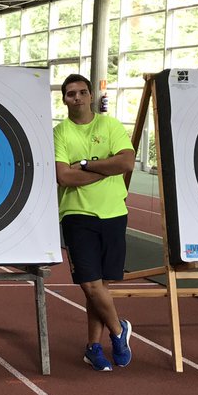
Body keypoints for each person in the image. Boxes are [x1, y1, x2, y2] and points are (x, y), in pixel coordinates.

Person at [53, 73, 136, 372]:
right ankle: (118, 330)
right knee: (90, 284)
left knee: (98, 287)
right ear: (64, 99)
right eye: (70, 93)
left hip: (114, 213)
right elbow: (63, 176)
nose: (77, 97)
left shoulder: (110, 125)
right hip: (77, 214)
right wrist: (106, 168)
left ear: (90, 96)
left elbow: (126, 162)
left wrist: (87, 165)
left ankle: (93, 347)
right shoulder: (60, 133)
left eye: (82, 92)